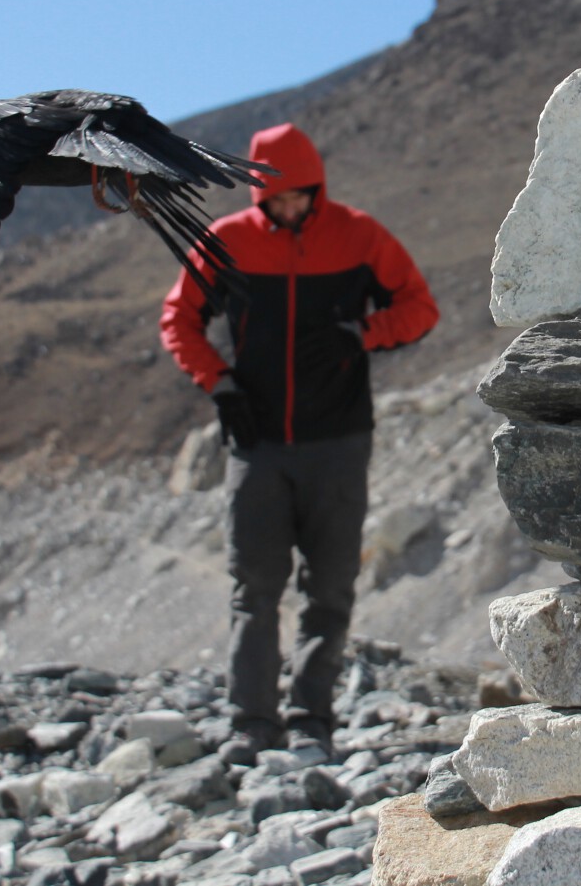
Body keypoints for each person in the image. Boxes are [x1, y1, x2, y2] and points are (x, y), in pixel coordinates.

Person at [160, 122, 438, 762]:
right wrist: (220, 385)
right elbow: (179, 320)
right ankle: (250, 723)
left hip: (339, 442)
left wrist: (360, 333)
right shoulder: (226, 241)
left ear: (317, 187)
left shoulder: (360, 234)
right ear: (258, 194)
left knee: (331, 586)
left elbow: (420, 308)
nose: (288, 207)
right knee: (253, 586)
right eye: (275, 199)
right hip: (257, 444)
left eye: (299, 196)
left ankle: (312, 717)